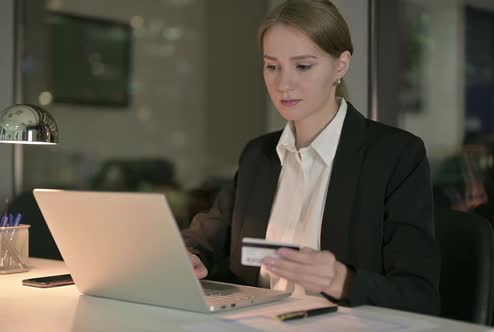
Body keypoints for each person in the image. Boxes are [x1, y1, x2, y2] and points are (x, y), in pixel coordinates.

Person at [182, 0, 440, 315]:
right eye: (272, 66)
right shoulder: (259, 156)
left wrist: (340, 280)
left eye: (303, 66)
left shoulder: (395, 155)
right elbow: (206, 238)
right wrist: (189, 256)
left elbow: (418, 295)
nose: (283, 84)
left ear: (340, 65)